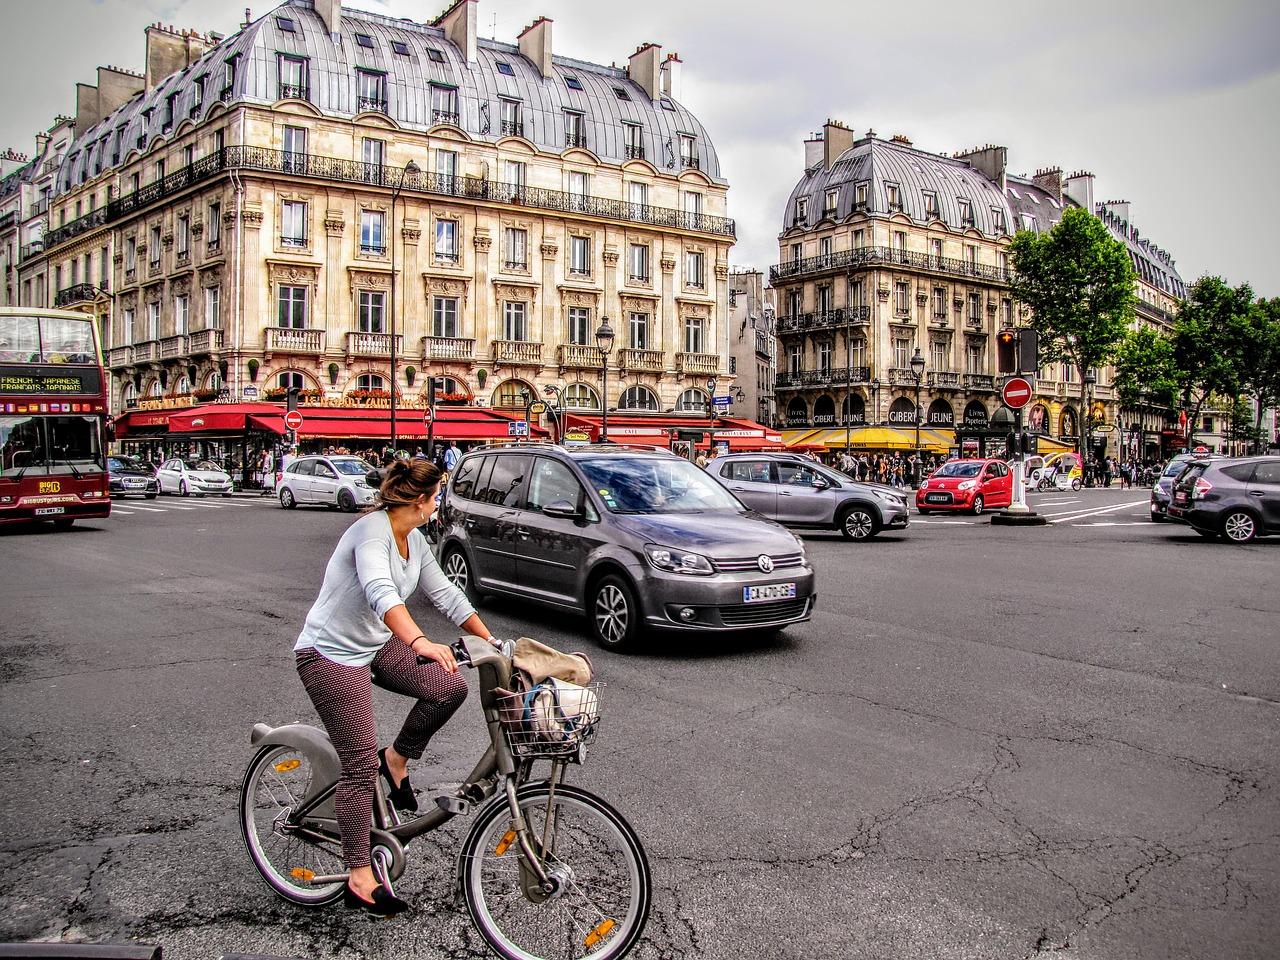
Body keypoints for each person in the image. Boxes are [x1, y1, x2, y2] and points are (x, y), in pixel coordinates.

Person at [293, 460, 496, 915]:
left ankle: (398, 758)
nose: (440, 501)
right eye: (438, 494)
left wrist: (489, 640)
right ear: (421, 501)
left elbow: (446, 593)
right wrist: (421, 641)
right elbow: (381, 592)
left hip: (374, 644)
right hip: (328, 654)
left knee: (447, 688)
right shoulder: (371, 532)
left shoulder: (417, 540)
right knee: (359, 764)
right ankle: (359, 875)